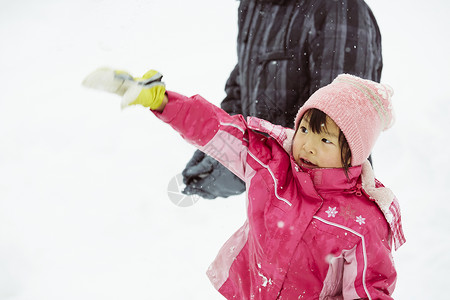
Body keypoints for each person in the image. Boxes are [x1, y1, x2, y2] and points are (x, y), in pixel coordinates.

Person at [82, 68, 405, 299]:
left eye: (324, 139)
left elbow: (368, 290)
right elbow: (218, 129)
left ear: (353, 153)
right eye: (305, 129)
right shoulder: (273, 162)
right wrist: (164, 101)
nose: (307, 144)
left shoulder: (361, 222)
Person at [182, 0, 383, 199]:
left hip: (327, 211)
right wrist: (223, 147)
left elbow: (334, 135)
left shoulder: (338, 9)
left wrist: (249, 162)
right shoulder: (253, 5)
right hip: (272, 205)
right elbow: (244, 85)